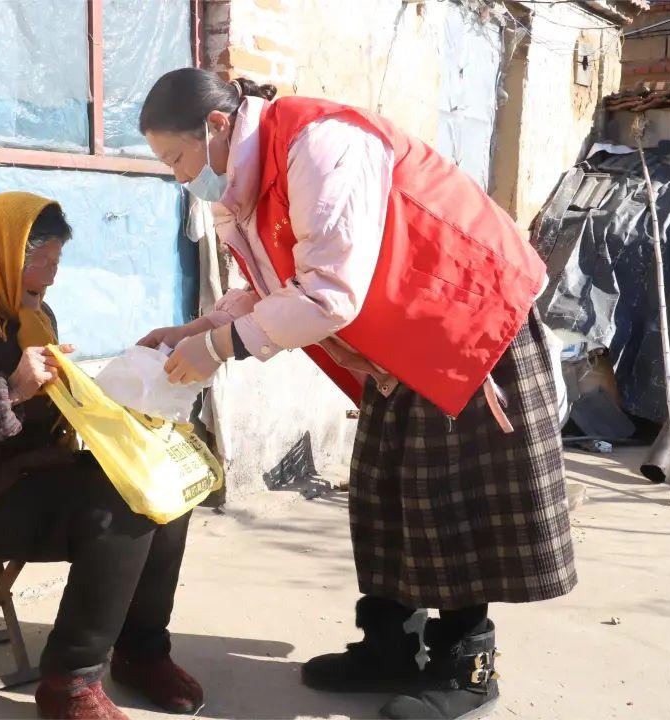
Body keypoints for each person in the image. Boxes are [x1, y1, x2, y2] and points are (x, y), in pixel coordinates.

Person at [136, 68, 576, 720]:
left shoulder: (320, 143)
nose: (178, 176)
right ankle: (388, 647)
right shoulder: (245, 185)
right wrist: (196, 330)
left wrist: (221, 347)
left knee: (446, 506)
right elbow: (268, 287)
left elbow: (328, 292)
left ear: (218, 127)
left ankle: (468, 666)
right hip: (398, 344)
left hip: (465, 321)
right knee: (386, 499)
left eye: (177, 157)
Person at [0, 192, 202, 720]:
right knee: (119, 506)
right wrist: (10, 390)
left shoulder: (32, 313)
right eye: (38, 261)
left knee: (159, 484)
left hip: (33, 479)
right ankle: (69, 683)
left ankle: (142, 652)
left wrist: (117, 391)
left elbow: (52, 408)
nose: (49, 277)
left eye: (56, 262)